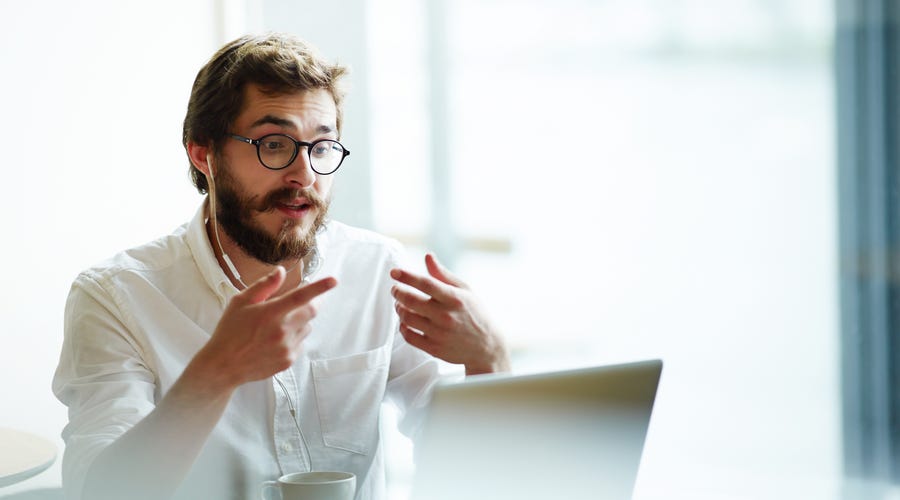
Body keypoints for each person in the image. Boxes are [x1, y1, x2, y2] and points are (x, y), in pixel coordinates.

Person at [52, 33, 509, 500]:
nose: (305, 174)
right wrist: (215, 373)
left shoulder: (378, 272)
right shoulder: (114, 297)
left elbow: (464, 463)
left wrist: (488, 360)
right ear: (203, 153)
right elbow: (98, 490)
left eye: (322, 146)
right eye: (274, 144)